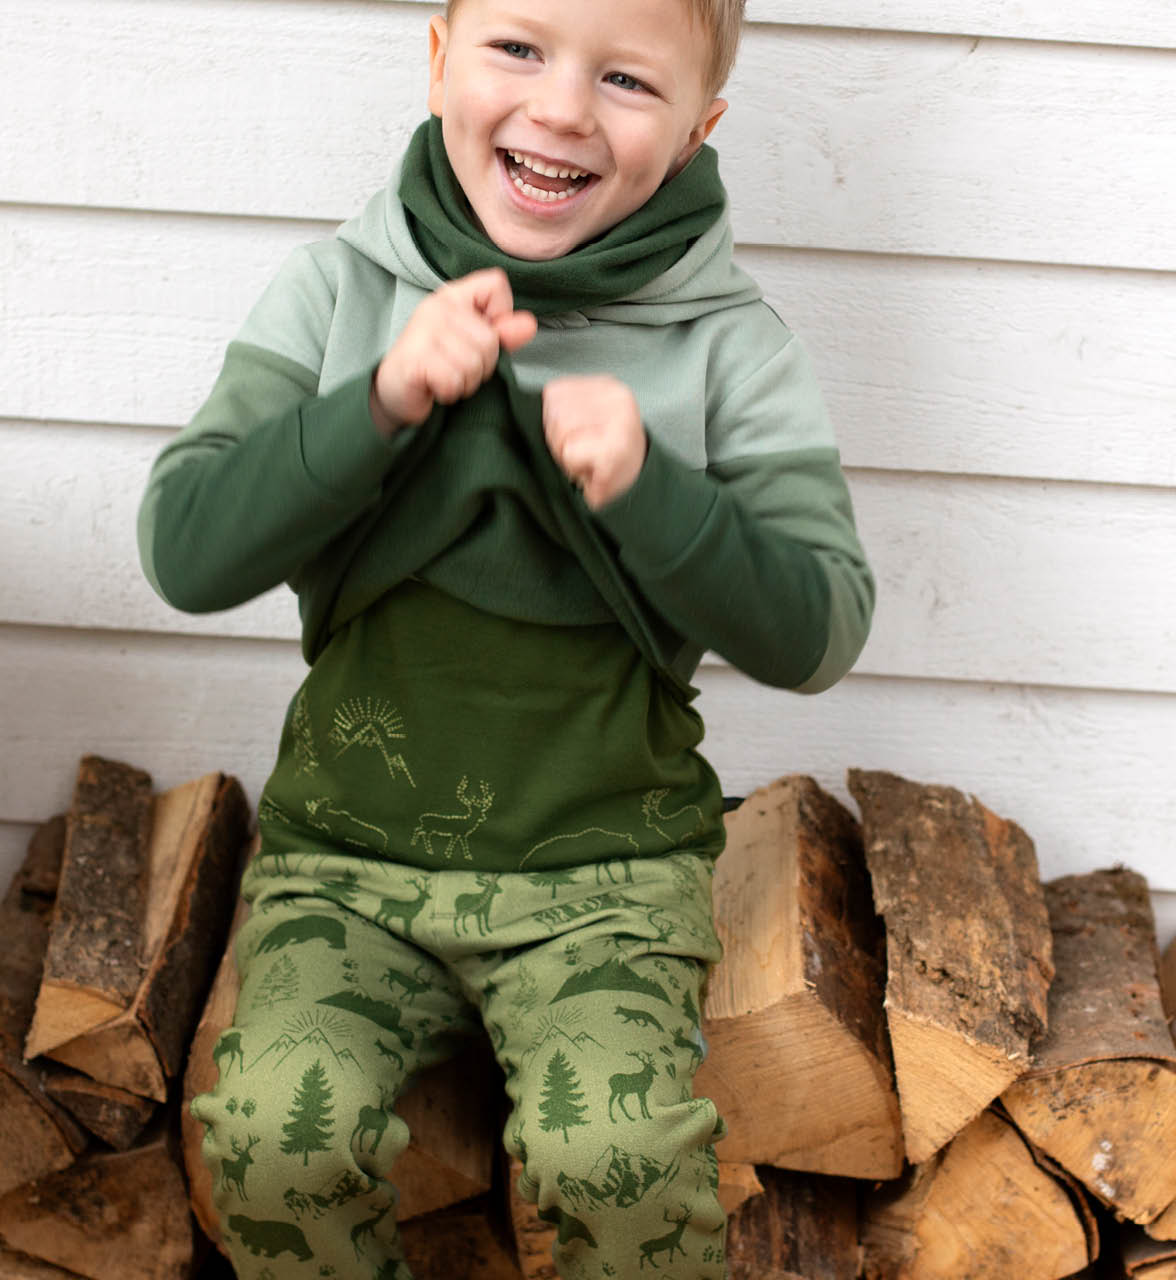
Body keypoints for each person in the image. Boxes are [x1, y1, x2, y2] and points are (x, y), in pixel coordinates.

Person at [137, 0, 874, 1274]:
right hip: (345, 860)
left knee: (618, 1164)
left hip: (603, 880)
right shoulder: (340, 292)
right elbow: (186, 548)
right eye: (518, 47)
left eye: (627, 79)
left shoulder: (726, 350)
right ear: (437, 61)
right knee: (272, 1140)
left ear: (698, 129)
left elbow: (817, 625)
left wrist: (656, 490)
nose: (561, 107)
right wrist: (371, 405)